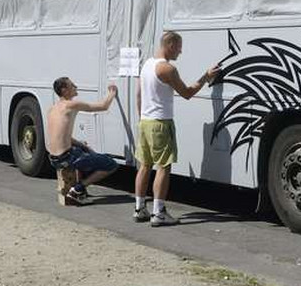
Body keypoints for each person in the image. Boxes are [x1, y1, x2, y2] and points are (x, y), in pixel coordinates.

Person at [134, 31, 219, 226]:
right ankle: (159, 213)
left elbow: (138, 95)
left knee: (145, 165)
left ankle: (139, 208)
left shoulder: (147, 64)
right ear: (170, 44)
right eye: (179, 47)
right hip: (161, 123)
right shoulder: (167, 69)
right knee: (163, 167)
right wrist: (206, 77)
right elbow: (187, 93)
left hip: (145, 122)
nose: (180, 51)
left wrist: (142, 117)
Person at [46, 77, 119, 205]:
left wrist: (83, 146)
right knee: (111, 164)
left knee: (82, 149)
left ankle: (79, 189)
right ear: (64, 90)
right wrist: (112, 92)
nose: (76, 87)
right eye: (72, 85)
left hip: (53, 158)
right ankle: (77, 189)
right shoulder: (71, 105)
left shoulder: (52, 109)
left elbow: (61, 136)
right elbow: (103, 106)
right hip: (67, 158)